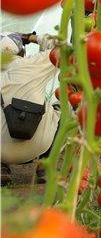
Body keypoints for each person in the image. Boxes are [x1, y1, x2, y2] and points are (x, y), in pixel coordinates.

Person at [1, 32, 60, 185]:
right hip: (36, 146)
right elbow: (63, 49)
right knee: (60, 110)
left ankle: (2, 168)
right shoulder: (33, 64)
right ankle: (44, 166)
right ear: (22, 52)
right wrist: (32, 38)